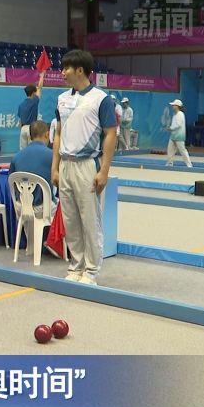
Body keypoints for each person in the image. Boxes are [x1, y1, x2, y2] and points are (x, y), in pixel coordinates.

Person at [50, 50, 117, 286]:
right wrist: (55, 167)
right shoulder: (61, 99)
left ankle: (91, 271)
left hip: (87, 164)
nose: (62, 73)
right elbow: (59, 134)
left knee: (90, 220)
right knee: (70, 220)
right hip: (65, 164)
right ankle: (75, 266)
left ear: (80, 70)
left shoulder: (101, 99)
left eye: (66, 68)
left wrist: (104, 170)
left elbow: (111, 134)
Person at [9, 120, 56, 221]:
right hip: (44, 209)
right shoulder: (52, 156)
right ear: (47, 134)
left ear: (30, 137)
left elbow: (11, 183)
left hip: (21, 208)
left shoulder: (16, 157)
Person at [164, 99, 193, 168]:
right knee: (170, 150)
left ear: (177, 106)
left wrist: (170, 128)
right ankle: (169, 163)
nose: (172, 106)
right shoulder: (175, 114)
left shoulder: (180, 114)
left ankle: (189, 165)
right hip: (173, 135)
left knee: (182, 150)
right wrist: (171, 128)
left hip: (179, 136)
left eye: (173, 105)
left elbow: (178, 124)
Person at [17, 85, 41, 150]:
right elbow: (40, 88)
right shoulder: (35, 101)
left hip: (23, 129)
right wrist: (42, 79)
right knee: (32, 150)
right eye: (35, 92)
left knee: (23, 150)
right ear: (33, 93)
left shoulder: (21, 105)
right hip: (31, 128)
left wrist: (22, 130)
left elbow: (20, 121)